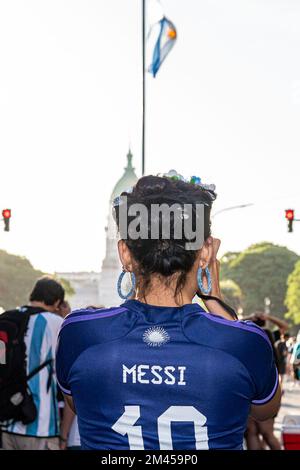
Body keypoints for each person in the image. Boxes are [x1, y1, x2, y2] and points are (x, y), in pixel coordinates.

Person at [56, 173, 281, 450]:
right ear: (206, 253)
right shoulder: (247, 342)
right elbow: (264, 410)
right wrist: (214, 297)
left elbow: (79, 402)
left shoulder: (80, 333)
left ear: (125, 253)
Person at [1, 277, 65, 450]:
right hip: (41, 428)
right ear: (57, 301)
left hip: (6, 424)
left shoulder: (8, 318)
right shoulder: (56, 323)